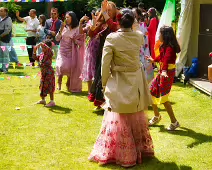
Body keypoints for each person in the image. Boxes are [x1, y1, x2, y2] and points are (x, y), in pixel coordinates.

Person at [89, 8, 154, 167]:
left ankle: (118, 152)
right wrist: (125, 16)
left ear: (118, 21)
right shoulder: (138, 36)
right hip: (135, 80)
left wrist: (104, 83)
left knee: (118, 116)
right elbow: (137, 26)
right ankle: (137, 150)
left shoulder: (112, 38)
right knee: (134, 115)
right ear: (132, 22)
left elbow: (105, 64)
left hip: (118, 79)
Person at [146, 26, 181, 131]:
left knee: (164, 99)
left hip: (166, 73)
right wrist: (153, 60)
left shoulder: (169, 48)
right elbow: (161, 57)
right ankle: (157, 116)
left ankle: (174, 122)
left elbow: (165, 60)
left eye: (160, 34)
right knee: (151, 91)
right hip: (162, 72)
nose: (158, 36)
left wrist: (164, 70)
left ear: (165, 35)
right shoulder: (164, 46)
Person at [88, 0, 119, 109]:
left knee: (109, 78)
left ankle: (108, 103)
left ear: (115, 11)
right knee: (100, 77)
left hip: (115, 54)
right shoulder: (103, 21)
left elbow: (115, 28)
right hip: (102, 53)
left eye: (110, 10)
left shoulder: (118, 21)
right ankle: (101, 102)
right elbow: (91, 34)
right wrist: (93, 25)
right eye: (106, 10)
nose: (108, 12)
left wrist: (105, 15)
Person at [55, 11, 86, 92]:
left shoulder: (77, 29)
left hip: (71, 52)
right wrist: (60, 30)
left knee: (70, 68)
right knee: (61, 66)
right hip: (62, 50)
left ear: (72, 18)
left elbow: (81, 42)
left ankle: (68, 83)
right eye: (65, 17)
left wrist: (75, 41)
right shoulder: (63, 28)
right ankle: (59, 83)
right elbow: (57, 39)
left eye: (68, 17)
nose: (66, 19)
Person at [80, 9, 101, 94]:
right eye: (95, 15)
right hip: (92, 47)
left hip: (100, 47)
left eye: (98, 15)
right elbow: (81, 32)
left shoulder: (103, 24)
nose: (96, 16)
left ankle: (97, 90)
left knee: (97, 68)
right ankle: (90, 91)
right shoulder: (90, 23)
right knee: (89, 67)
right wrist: (81, 22)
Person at [133, 8, 154, 83]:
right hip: (133, 51)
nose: (133, 16)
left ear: (138, 15)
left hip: (142, 50)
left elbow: (146, 40)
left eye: (135, 14)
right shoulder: (129, 26)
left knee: (144, 72)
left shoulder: (142, 25)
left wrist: (145, 52)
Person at [33, 39, 55, 107]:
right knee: (42, 85)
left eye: (43, 47)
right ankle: (43, 100)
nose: (42, 48)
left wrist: (41, 44)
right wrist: (34, 50)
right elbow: (34, 57)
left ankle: (52, 101)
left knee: (50, 86)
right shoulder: (42, 54)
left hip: (49, 72)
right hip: (43, 72)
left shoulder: (50, 52)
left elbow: (47, 48)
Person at [0, 7, 12, 73]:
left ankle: (5, 69)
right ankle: (2, 67)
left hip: (5, 40)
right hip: (0, 40)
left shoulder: (8, 19)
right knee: (1, 54)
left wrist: (0, 36)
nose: (0, 12)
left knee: (5, 54)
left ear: (5, 12)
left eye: (1, 11)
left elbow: (7, 31)